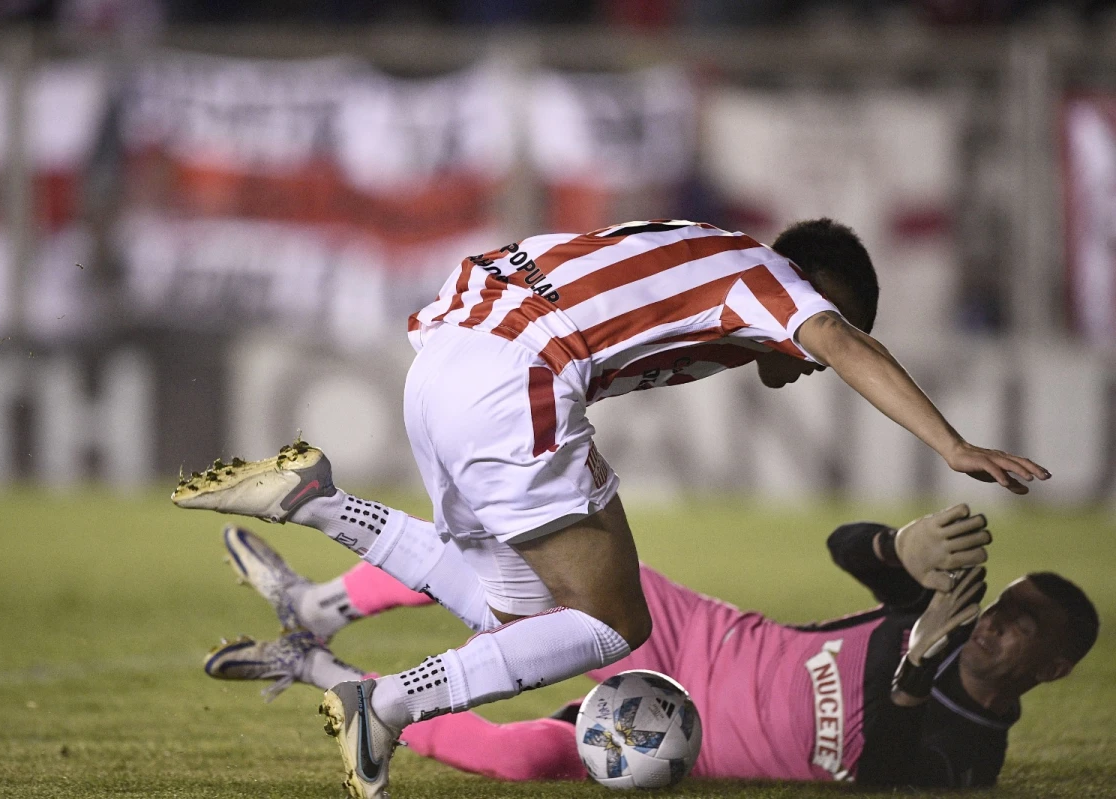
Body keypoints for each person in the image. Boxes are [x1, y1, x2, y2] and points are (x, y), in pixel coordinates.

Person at [172, 218, 1050, 798]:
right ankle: (388, 702)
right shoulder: (769, 279)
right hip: (518, 375)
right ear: (812, 279)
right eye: (830, 312)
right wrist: (951, 445)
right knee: (612, 624)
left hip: (443, 357)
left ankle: (318, 501)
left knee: (516, 616)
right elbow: (835, 337)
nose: (818, 347)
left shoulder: (695, 247)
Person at [204, 505, 1097, 789]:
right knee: (522, 576)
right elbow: (844, 545)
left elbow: (894, 774)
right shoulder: (926, 612)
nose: (997, 622)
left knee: (529, 759)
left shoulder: (974, 753)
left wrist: (908, 678)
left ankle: (320, 672)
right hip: (695, 634)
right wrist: (899, 549)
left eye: (1025, 627)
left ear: (1051, 667)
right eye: (1007, 603)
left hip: (683, 736)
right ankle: (317, 607)